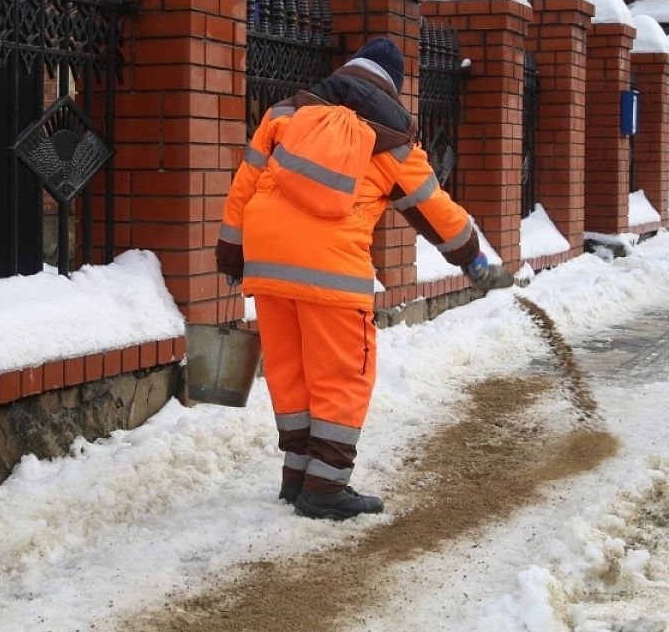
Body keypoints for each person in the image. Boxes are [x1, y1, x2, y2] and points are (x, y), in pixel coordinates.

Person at [216, 36, 514, 521]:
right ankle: (326, 490)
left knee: (292, 372)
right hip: (331, 271)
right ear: (390, 87)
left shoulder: (285, 115)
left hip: (267, 264)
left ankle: (298, 478)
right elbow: (432, 208)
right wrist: (473, 260)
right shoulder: (390, 139)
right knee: (342, 375)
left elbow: (244, 185)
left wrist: (233, 255)